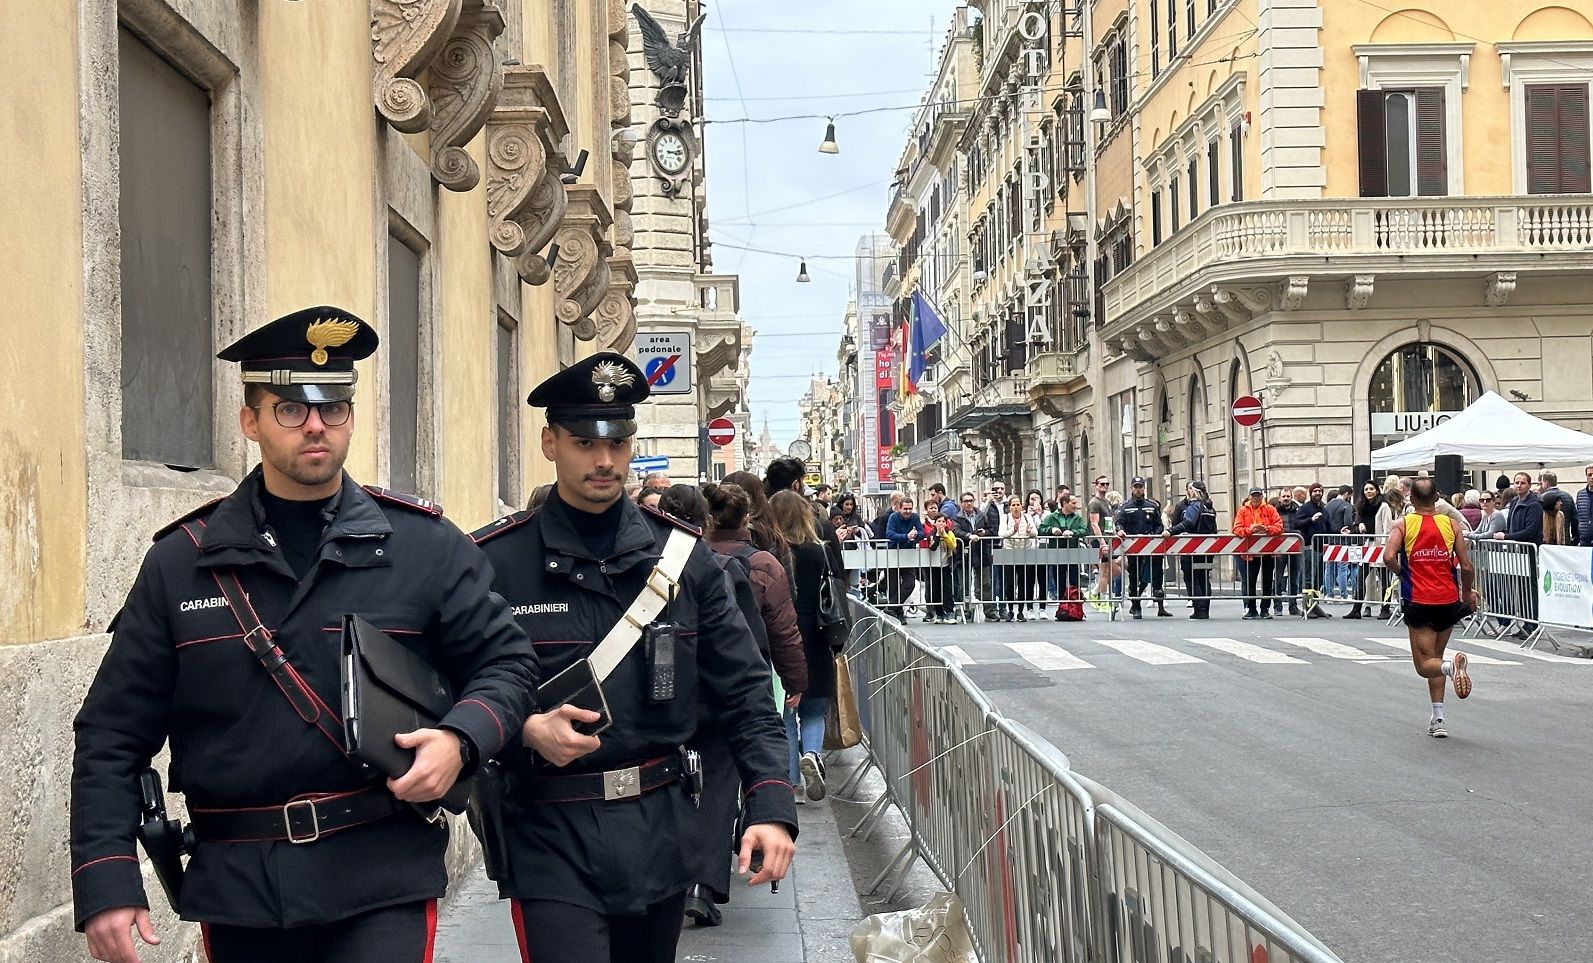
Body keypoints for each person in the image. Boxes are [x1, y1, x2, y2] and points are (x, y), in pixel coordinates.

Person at [70, 307, 539, 963]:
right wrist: (107, 879)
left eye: (334, 406)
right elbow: (112, 731)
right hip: (239, 887)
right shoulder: (182, 563)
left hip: (381, 873)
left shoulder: (421, 545)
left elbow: (508, 663)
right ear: (250, 420)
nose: (316, 423)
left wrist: (461, 739)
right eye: (290, 407)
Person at [470, 353, 795, 962]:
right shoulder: (495, 562)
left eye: (618, 443)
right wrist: (521, 732)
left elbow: (748, 696)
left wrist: (771, 804)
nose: (604, 460)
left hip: (660, 824)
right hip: (549, 829)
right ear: (550, 443)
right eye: (585, 442)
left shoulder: (684, 562)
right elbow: (449, 690)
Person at [1384, 478, 1478, 738]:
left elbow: (1388, 557)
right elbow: (1466, 566)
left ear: (1410, 499)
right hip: (1448, 599)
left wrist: (1404, 573)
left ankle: (1451, 667)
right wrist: (1467, 591)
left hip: (1420, 599)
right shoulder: (1451, 524)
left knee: (1425, 664)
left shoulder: (1403, 524)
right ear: (1436, 498)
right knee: (1436, 656)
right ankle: (1438, 718)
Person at [767, 490, 835, 803]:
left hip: (781, 634)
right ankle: (811, 754)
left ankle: (792, 781)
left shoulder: (770, 552)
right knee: (814, 709)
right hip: (817, 633)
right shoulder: (817, 550)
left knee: (786, 711)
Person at [1115, 477, 1170, 619]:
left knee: (1157, 574)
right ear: (1132, 488)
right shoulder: (1126, 506)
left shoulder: (1151, 505)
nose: (1138, 490)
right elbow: (1119, 523)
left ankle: (1160, 606)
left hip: (1152, 545)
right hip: (1133, 546)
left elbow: (1159, 524)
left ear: (1144, 488)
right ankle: (1136, 606)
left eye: (1140, 487)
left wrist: (1155, 535)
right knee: (1134, 576)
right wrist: (1120, 530)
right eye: (1136, 487)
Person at [1168, 483, 1217, 619]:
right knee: (1203, 578)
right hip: (1207, 549)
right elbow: (1214, 528)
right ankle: (1205, 609)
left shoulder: (1195, 506)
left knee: (1192, 578)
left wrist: (1170, 531)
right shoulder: (1210, 507)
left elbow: (1187, 523)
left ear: (1194, 492)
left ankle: (1199, 608)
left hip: (1191, 549)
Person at [1235, 486, 1283, 619]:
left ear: (1262, 497)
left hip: (1268, 551)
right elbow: (1237, 528)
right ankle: (1251, 608)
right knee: (1250, 580)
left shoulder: (1270, 509)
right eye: (1253, 496)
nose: (1256, 498)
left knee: (1267, 581)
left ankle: (1265, 609)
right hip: (1250, 552)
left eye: (1258, 496)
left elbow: (1279, 527)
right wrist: (1250, 530)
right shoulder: (1243, 510)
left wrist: (1266, 529)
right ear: (1250, 497)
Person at [1040, 493, 1090, 616]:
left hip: (1072, 553)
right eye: (1073, 503)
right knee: (1059, 580)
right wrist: (1051, 530)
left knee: (1074, 580)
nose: (1075, 506)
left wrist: (1073, 532)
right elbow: (1041, 529)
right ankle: (1063, 607)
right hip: (1057, 553)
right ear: (1064, 504)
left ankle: (1075, 607)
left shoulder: (1077, 518)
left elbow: (1085, 530)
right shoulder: (1052, 517)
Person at [920, 497, 968, 624]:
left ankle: (950, 612)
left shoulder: (950, 533)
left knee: (947, 588)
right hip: (934, 565)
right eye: (939, 521)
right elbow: (932, 547)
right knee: (935, 589)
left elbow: (953, 545)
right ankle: (939, 613)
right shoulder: (931, 534)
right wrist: (936, 535)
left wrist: (944, 534)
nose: (941, 523)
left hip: (946, 564)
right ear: (935, 523)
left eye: (943, 521)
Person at [1294, 484, 1333, 618]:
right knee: (1308, 578)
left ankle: (1314, 605)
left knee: (1318, 579)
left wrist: (1340, 531)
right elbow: (1297, 523)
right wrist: (1310, 520)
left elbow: (1328, 527)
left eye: (1319, 491)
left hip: (1321, 548)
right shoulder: (1305, 508)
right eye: (1315, 491)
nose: (1317, 493)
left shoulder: (1324, 508)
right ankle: (1307, 606)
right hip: (1309, 547)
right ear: (1311, 493)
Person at [998, 494, 1039, 620]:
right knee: (1010, 583)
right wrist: (1013, 531)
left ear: (1021, 506)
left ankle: (1021, 611)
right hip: (1009, 552)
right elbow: (1001, 534)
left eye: (1018, 505)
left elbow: (1035, 533)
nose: (1016, 507)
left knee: (1023, 583)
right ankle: (1010, 610)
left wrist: (1028, 531)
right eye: (1013, 505)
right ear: (1010, 507)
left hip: (1024, 552)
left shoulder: (1027, 517)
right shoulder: (1005, 518)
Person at [971, 483, 1006, 621]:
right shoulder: (987, 505)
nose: (998, 491)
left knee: (1003, 578)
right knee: (991, 578)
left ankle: (1003, 607)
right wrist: (988, 501)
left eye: (1001, 489)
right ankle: (992, 607)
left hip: (1005, 544)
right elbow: (980, 517)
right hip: (990, 545)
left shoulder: (1009, 504)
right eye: (995, 489)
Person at [883, 496, 924, 612]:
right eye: (905, 509)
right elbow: (889, 534)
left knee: (910, 583)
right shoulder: (893, 517)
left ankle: (892, 606)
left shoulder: (915, 517)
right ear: (899, 509)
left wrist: (915, 535)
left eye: (910, 509)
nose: (908, 511)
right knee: (893, 585)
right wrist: (906, 536)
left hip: (908, 554)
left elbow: (922, 533)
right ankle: (897, 612)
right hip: (893, 553)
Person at [1271, 487, 1303, 616]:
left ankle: (1293, 606)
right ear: (1279, 498)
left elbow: (1301, 524)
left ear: (1291, 497)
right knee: (1278, 578)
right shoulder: (1274, 511)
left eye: (1288, 496)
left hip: (1294, 548)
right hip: (1279, 547)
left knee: (1294, 579)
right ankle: (1277, 606)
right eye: (1283, 496)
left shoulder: (1298, 510)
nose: (1286, 499)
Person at [1325, 485, 1357, 600]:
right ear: (1347, 494)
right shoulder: (1346, 505)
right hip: (1342, 539)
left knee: (1329, 568)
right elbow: (1348, 522)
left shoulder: (1327, 505)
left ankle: (1329, 594)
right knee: (1342, 567)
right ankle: (1344, 595)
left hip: (1329, 539)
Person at [1538, 470, 1580, 545]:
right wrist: (1575, 538)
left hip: (1548, 541)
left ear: (1546, 483)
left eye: (1542, 483)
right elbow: (1575, 520)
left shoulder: (1542, 498)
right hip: (1566, 539)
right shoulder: (1568, 496)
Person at [1578, 464, 1593, 548]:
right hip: (1584, 542)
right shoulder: (1580, 494)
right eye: (1589, 475)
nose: (1592, 477)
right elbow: (1578, 517)